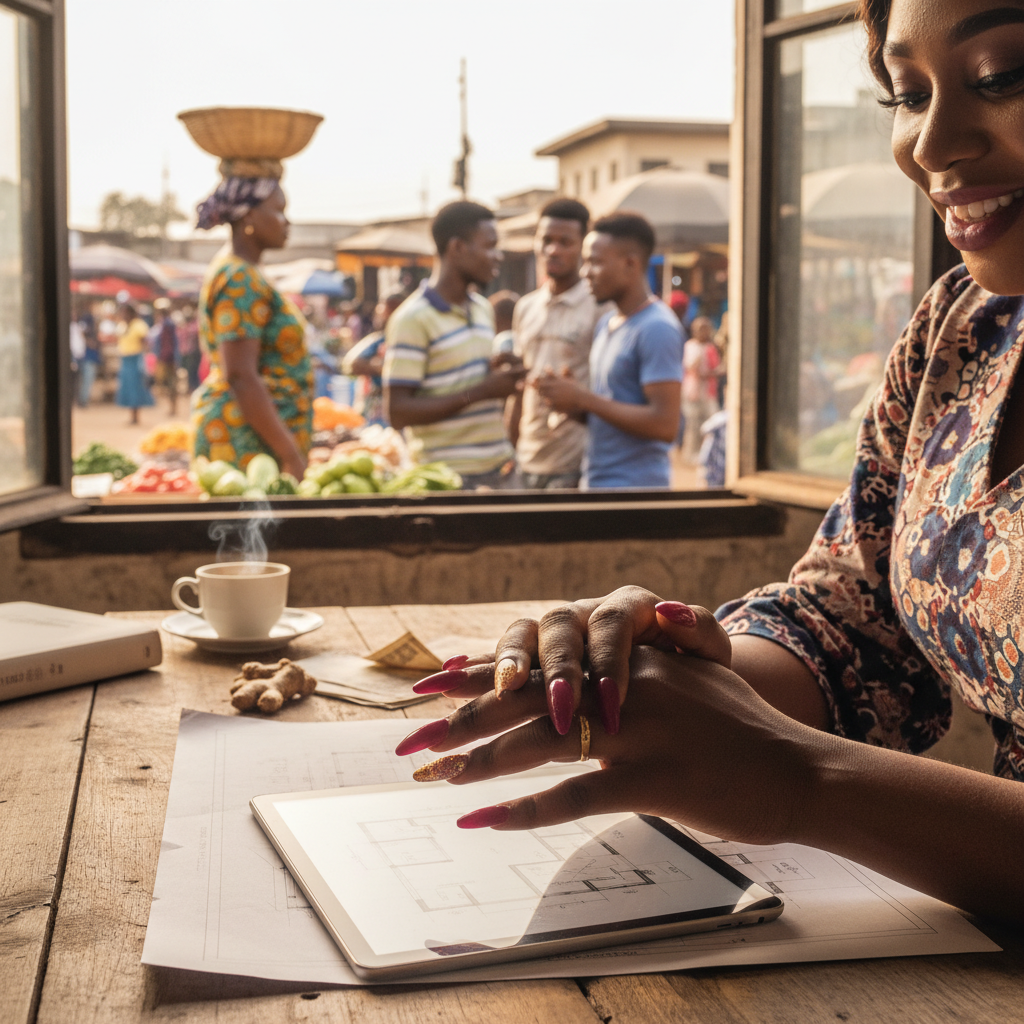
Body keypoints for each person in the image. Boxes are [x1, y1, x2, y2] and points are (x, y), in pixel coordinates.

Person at [390, 0, 1024, 924]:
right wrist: (681, 674)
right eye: (905, 92)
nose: (929, 145)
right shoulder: (962, 330)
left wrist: (801, 780)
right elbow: (855, 615)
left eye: (1002, 74)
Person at [533, 212, 682, 489]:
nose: (584, 272)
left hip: (636, 491)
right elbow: (612, 412)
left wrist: (583, 398)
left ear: (630, 264)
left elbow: (665, 425)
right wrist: (569, 403)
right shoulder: (607, 324)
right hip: (598, 483)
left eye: (595, 262)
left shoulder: (657, 328)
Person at [383, 201, 526, 489]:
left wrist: (495, 371)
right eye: (490, 246)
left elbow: (460, 380)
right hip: (447, 482)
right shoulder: (413, 319)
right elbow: (398, 412)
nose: (497, 257)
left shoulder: (483, 309)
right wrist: (483, 391)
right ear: (458, 247)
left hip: (502, 471)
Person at [190, 175, 312, 478]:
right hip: (245, 442)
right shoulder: (239, 277)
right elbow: (241, 375)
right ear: (248, 217)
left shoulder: (244, 271)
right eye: (279, 210)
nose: (287, 222)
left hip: (256, 439)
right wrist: (290, 455)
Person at [507, 199, 607, 490]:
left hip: (576, 463)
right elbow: (520, 387)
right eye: (546, 240)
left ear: (583, 247)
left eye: (565, 242)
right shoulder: (525, 307)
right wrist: (511, 444)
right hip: (526, 460)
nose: (553, 250)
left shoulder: (599, 307)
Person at [341, 291, 405, 425]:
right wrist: (379, 367)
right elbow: (351, 364)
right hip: (378, 409)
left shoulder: (413, 339)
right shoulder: (379, 340)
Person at [680, 316, 721, 462]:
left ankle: (709, 455)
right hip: (692, 392)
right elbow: (691, 367)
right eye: (700, 329)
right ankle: (690, 454)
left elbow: (717, 369)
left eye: (706, 329)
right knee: (693, 424)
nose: (703, 333)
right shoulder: (690, 346)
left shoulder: (711, 348)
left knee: (711, 423)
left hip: (708, 392)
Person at [115, 303, 154, 425]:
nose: (124, 315)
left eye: (126, 312)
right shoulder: (121, 326)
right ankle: (131, 415)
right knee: (127, 387)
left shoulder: (139, 325)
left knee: (136, 388)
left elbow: (146, 343)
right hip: (125, 360)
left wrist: (146, 361)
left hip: (135, 360)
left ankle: (136, 416)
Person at [152, 299, 179, 416]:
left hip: (168, 358)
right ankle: (172, 408)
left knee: (171, 384)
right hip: (167, 357)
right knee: (168, 384)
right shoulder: (164, 324)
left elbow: (171, 343)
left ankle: (173, 408)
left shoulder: (168, 325)